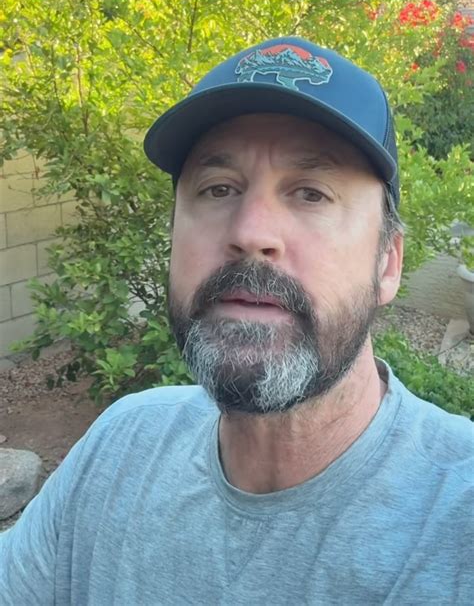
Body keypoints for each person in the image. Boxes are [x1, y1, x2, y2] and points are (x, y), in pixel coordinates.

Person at [0, 36, 472, 605]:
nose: (250, 232)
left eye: (311, 194)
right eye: (218, 189)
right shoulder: (119, 447)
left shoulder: (456, 522)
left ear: (387, 263)